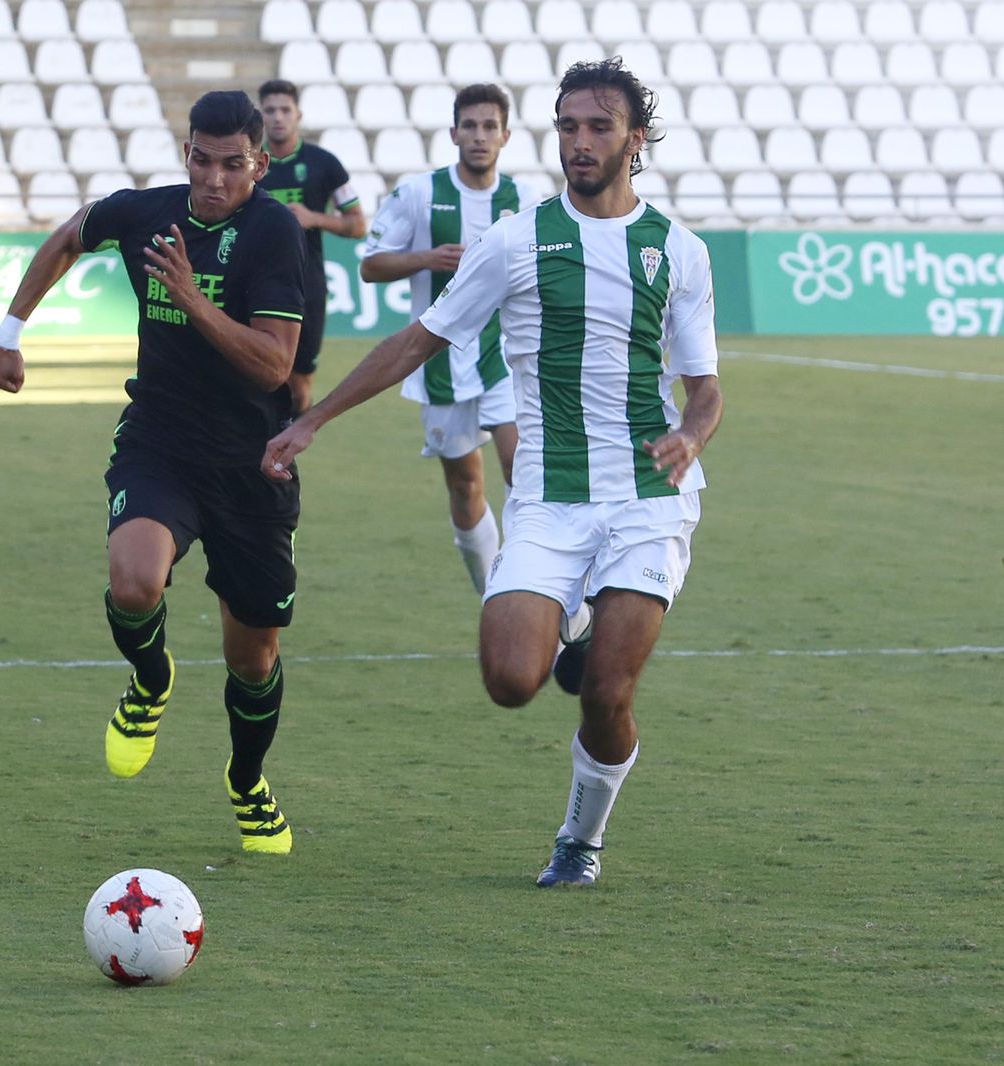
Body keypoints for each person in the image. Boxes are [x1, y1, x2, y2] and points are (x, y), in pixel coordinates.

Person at [262, 60, 724, 886]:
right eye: (569, 126)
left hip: (649, 498)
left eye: (599, 127)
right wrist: (312, 419)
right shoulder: (516, 240)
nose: (580, 142)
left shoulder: (677, 251)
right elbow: (418, 340)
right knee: (511, 679)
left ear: (635, 138)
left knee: (607, 695)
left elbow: (706, 387)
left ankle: (580, 841)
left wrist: (691, 434)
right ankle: (570, 626)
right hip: (547, 497)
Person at [0, 91, 308, 855]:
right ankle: (151, 677)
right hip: (159, 440)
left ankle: (246, 780)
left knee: (253, 659)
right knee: (134, 581)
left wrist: (192, 300)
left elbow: (273, 366)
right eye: (202, 159)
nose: (214, 178)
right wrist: (10, 332)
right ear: (187, 152)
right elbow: (72, 235)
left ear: (259, 165)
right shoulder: (146, 213)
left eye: (233, 165)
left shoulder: (274, 233)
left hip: (251, 465)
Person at [359, 84, 544, 598]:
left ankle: (537, 592)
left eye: (490, 127)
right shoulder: (419, 194)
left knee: (523, 473)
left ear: (505, 135)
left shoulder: (525, 203)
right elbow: (371, 266)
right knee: (466, 487)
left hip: (506, 358)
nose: (480, 136)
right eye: (471, 126)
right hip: (440, 363)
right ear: (454, 132)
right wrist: (428, 258)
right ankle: (492, 593)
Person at [256, 79, 369, 414]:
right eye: (270, 110)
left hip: (307, 287)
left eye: (285, 110)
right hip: (255, 285)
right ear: (260, 116)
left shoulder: (325, 164)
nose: (278, 117)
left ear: (298, 115)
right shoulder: (248, 165)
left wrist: (314, 218)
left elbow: (358, 224)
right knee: (257, 378)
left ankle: (286, 459)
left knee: (299, 385)